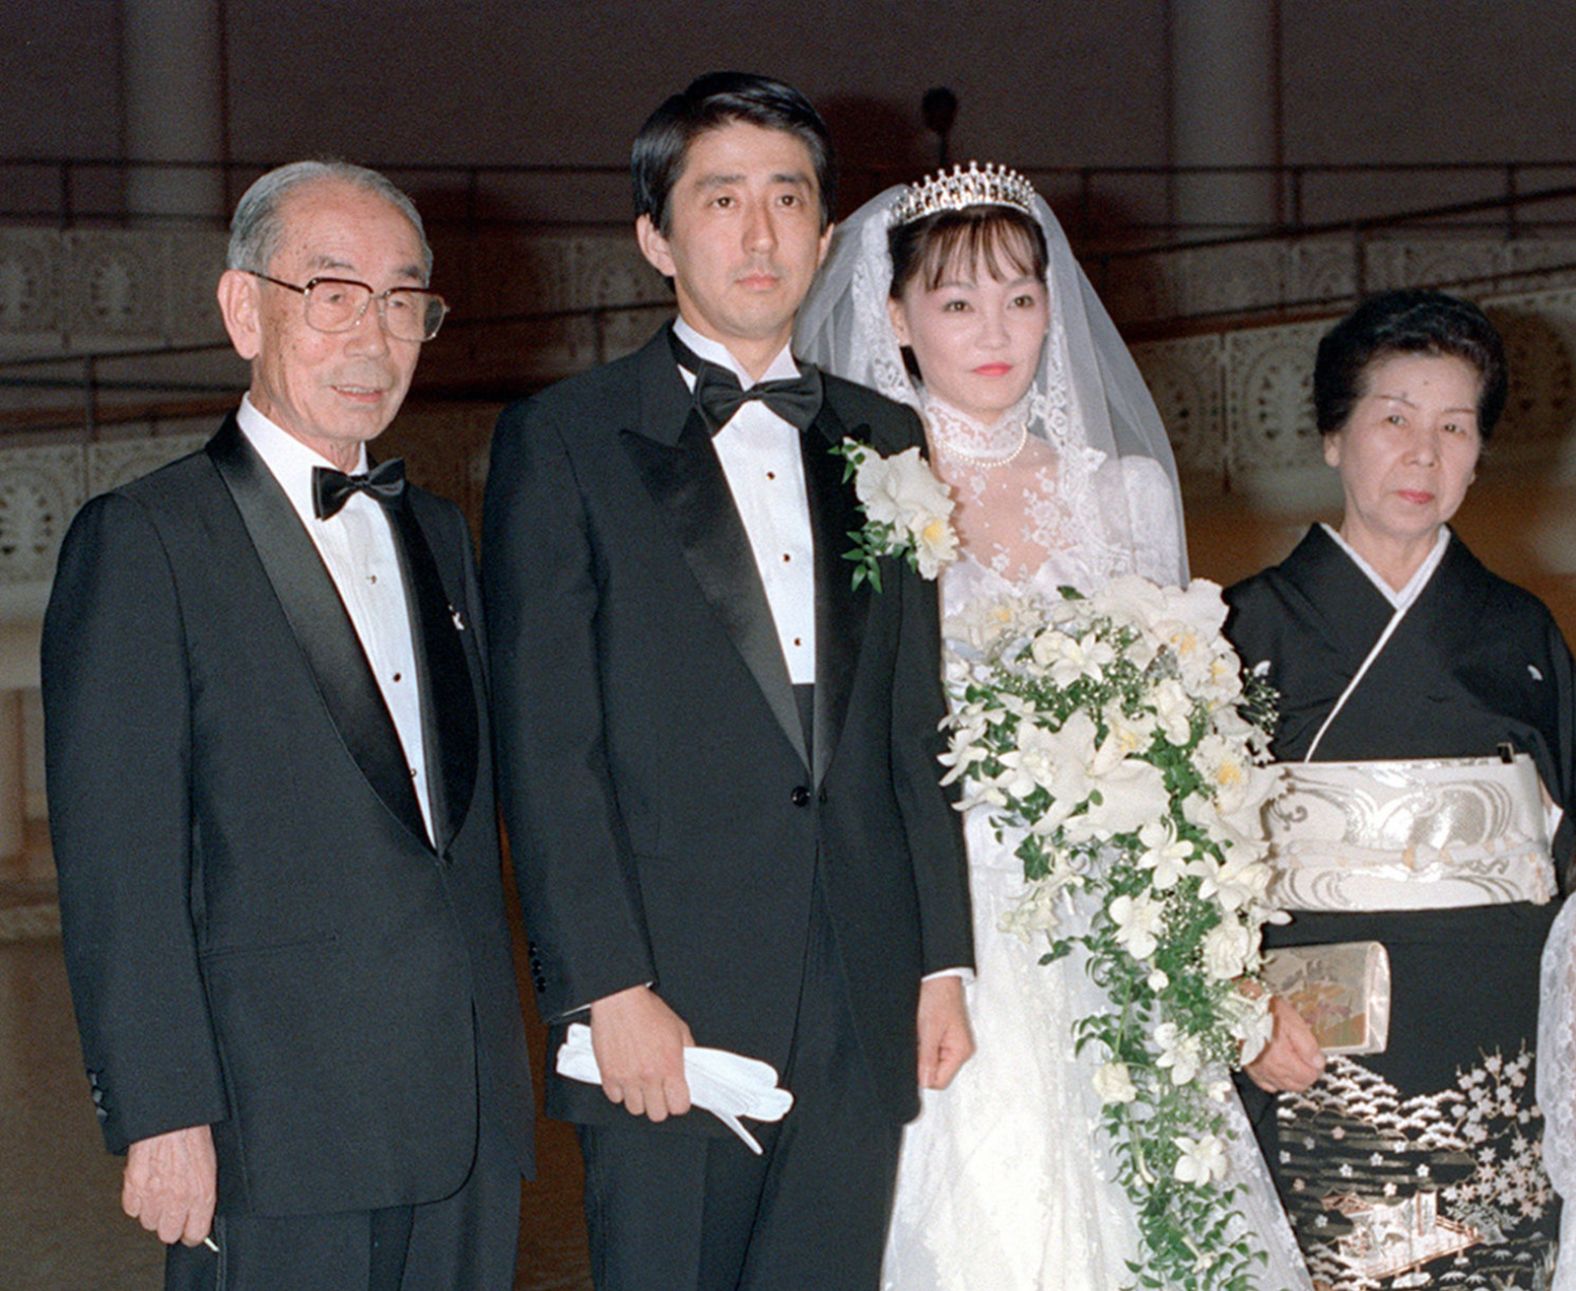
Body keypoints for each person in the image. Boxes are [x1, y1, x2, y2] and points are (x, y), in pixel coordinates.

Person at [483, 73, 975, 1291]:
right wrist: (607, 988)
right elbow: (550, 747)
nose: (758, 234)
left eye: (787, 198)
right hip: (671, 1003)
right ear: (655, 235)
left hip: (860, 996)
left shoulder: (887, 437)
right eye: (720, 199)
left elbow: (914, 726)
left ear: (824, 229)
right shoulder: (566, 439)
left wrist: (939, 960)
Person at [796, 161, 1313, 1290]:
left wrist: (1207, 946)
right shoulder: (864, 494)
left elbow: (1189, 738)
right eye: (957, 302)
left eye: (1020, 297)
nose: (996, 330)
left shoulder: (1121, 493)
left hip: (1112, 919)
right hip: (944, 931)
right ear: (895, 317)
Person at [41, 160, 535, 1291]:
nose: (374, 334)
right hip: (274, 1130)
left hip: (465, 1122)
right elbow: (119, 866)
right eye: (331, 292)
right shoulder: (146, 540)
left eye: (403, 299)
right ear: (241, 308)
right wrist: (164, 1112)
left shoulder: (442, 534)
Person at [1225, 290, 1571, 1289]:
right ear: (1332, 435)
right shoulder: (1236, 630)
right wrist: (1235, 1013)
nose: (1423, 454)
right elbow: (1179, 873)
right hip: (1309, 1049)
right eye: (1393, 418)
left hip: (1492, 1043)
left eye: (1454, 427)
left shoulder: (1519, 634)